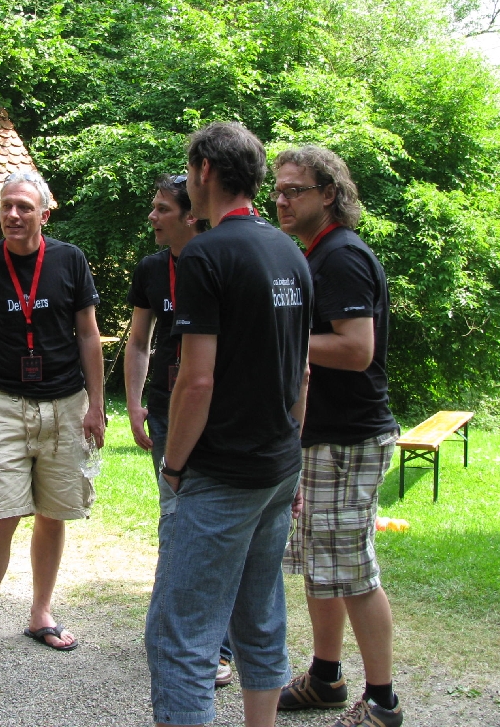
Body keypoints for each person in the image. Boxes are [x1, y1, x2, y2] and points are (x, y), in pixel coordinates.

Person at [145, 122, 311, 727]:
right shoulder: (288, 250)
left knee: (180, 636)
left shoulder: (206, 253)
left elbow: (196, 381)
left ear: (206, 171)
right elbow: (301, 373)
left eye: (190, 169)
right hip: (277, 466)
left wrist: (174, 466)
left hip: (222, 473)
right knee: (258, 616)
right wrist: (292, 456)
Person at [0, 169, 105, 663]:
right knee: (1, 514)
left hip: (66, 404)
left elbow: (88, 334)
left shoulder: (69, 260)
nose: (12, 214)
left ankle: (40, 613)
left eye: (24, 207)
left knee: (53, 514)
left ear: (44, 215)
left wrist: (96, 404)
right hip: (5, 404)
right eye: (6, 205)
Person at [275, 146, 403, 727]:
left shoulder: (343, 256)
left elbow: (356, 349)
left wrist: (276, 339)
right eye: (278, 190)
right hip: (321, 438)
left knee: (352, 570)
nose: (281, 200)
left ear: (328, 194)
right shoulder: (316, 253)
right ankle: (326, 678)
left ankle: (382, 702)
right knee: (319, 564)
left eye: (294, 190)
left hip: (350, 440)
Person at [123, 174, 235, 688]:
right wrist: (134, 403)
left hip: (214, 411)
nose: (152, 216)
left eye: (162, 208)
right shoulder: (151, 268)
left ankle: (219, 645)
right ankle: (177, 631)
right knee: (173, 517)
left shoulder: (219, 261)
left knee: (213, 521)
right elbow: (138, 341)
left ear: (191, 215)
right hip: (166, 411)